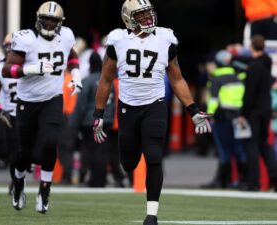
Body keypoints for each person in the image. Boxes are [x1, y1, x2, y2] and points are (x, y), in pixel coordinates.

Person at [92, 1, 212, 224]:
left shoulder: (165, 39)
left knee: (154, 156)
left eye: (149, 13)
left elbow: (177, 79)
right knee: (128, 163)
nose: (148, 18)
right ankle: (132, 155)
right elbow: (106, 80)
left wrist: (193, 110)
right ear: (129, 18)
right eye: (142, 15)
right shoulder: (118, 40)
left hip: (154, 105)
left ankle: (152, 214)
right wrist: (98, 113)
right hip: (127, 106)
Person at [2, 1, 82, 212]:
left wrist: (75, 75)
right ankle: (19, 182)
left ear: (60, 23)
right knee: (24, 152)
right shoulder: (26, 39)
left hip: (52, 98)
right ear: (38, 19)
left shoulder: (66, 36)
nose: (48, 23)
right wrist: (30, 69)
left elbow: (71, 57)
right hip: (27, 100)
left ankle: (44, 189)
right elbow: (6, 69)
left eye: (53, 20)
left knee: (49, 142)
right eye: (45, 19)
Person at [202, 50, 248, 189]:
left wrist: (207, 116)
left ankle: (223, 182)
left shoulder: (216, 79)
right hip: (238, 118)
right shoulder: (240, 77)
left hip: (221, 118)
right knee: (239, 150)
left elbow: (214, 101)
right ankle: (243, 181)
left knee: (224, 151)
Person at [70, 51, 115, 187]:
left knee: (93, 151)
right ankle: (101, 179)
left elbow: (81, 105)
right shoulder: (108, 81)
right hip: (106, 120)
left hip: (91, 121)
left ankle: (95, 180)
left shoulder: (87, 81)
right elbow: (113, 104)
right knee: (103, 151)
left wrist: (74, 123)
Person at [238, 35, 277, 191]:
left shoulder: (254, 66)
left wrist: (243, 113)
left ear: (252, 46)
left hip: (254, 111)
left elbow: (250, 93)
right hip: (265, 109)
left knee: (251, 145)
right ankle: (274, 176)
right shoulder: (266, 64)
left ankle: (253, 182)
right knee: (263, 144)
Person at [0, 32, 18, 193]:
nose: (11, 50)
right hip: (8, 114)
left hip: (28, 113)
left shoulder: (29, 65)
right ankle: (16, 179)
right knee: (9, 151)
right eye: (9, 46)